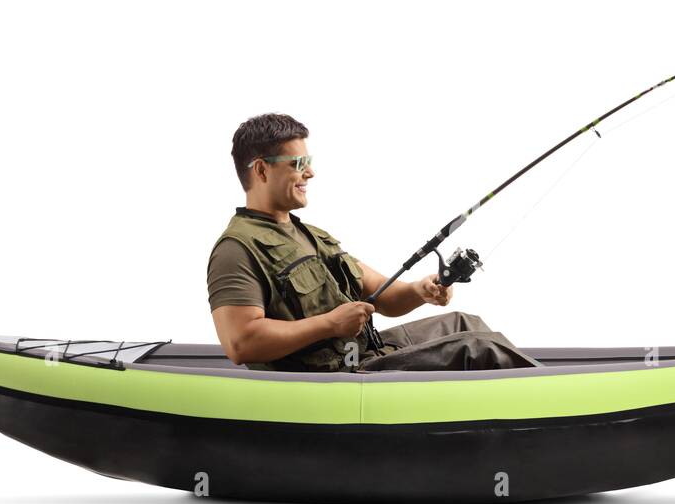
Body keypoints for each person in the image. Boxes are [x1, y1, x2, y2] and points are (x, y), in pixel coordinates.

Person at [207, 113, 542, 372]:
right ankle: (557, 406)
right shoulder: (237, 248)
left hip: (363, 353)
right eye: (299, 164)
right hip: (330, 378)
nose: (310, 174)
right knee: (478, 349)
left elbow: (381, 293)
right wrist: (329, 324)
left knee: (464, 324)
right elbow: (241, 342)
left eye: (309, 163)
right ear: (262, 171)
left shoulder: (310, 236)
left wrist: (419, 291)